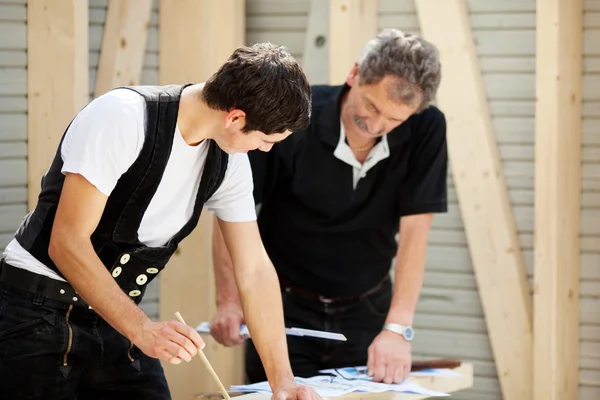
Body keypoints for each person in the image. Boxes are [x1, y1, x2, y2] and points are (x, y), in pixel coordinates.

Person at [0, 43, 322, 400]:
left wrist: (283, 381)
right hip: (34, 315)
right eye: (265, 140)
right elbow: (67, 242)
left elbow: (255, 270)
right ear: (236, 118)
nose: (266, 150)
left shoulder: (229, 162)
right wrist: (142, 329)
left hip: (115, 319)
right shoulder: (122, 117)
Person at [209, 29, 447, 385]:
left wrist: (398, 329)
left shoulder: (427, 128)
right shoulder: (295, 119)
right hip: (283, 305)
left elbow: (416, 230)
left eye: (395, 120)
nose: (376, 126)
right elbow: (230, 213)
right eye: (371, 106)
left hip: (366, 307)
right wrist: (229, 300)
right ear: (354, 75)